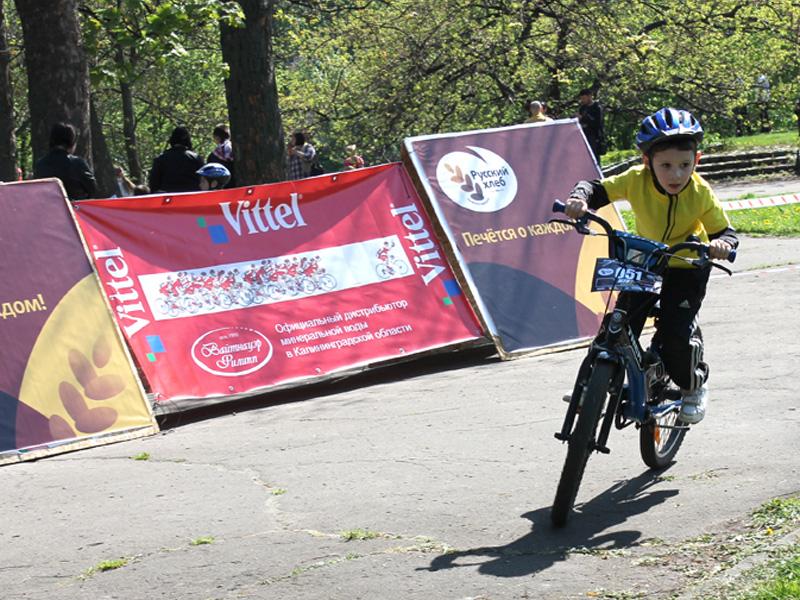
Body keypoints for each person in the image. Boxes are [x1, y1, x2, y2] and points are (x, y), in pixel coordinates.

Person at [564, 107, 739, 424]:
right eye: (666, 165)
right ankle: (591, 388)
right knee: (617, 325)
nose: (676, 174)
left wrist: (722, 245)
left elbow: (724, 232)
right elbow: (595, 188)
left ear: (696, 161)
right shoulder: (635, 180)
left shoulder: (700, 192)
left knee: (674, 335)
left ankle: (692, 386)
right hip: (646, 260)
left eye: (685, 165)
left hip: (687, 264)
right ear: (648, 163)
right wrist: (579, 199)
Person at [33, 122, 96, 201]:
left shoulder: (40, 165)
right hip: (74, 210)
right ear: (72, 142)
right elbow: (92, 189)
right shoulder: (77, 163)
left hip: (48, 209)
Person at [148, 126, 204, 193]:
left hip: (168, 199)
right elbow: (203, 182)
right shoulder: (196, 159)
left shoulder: (161, 159)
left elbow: (153, 184)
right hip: (192, 198)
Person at [577, 88, 605, 165]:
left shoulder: (597, 108)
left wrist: (584, 118)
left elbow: (597, 123)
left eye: (584, 98)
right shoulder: (582, 108)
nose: (582, 100)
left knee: (594, 158)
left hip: (594, 137)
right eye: (581, 98)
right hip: (584, 135)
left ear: (590, 96)